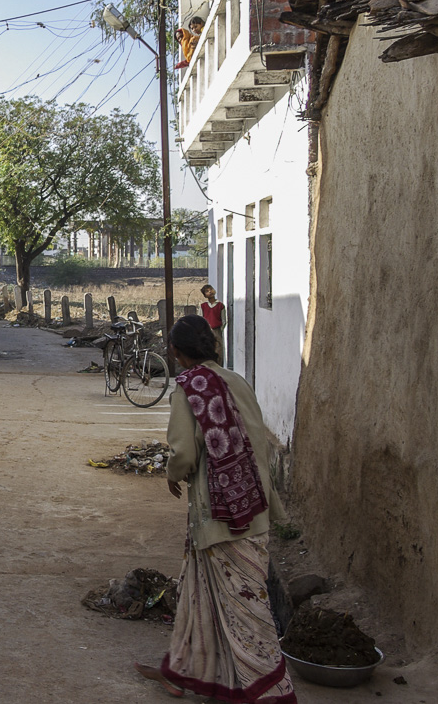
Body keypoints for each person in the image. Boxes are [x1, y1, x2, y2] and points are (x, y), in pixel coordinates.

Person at [134, 315, 295, 703]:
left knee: (245, 606)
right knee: (200, 592)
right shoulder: (237, 380)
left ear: (175, 351)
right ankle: (187, 673)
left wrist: (174, 473)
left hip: (218, 515)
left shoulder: (187, 390)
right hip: (254, 506)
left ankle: (270, 689)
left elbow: (184, 454)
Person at [200, 284, 226, 366]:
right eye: (207, 291)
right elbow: (200, 318)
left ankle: (218, 366)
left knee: (218, 349)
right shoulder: (203, 306)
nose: (210, 292)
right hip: (206, 331)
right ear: (205, 295)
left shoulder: (220, 305)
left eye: (211, 289)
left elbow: (224, 319)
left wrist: (220, 329)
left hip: (217, 330)